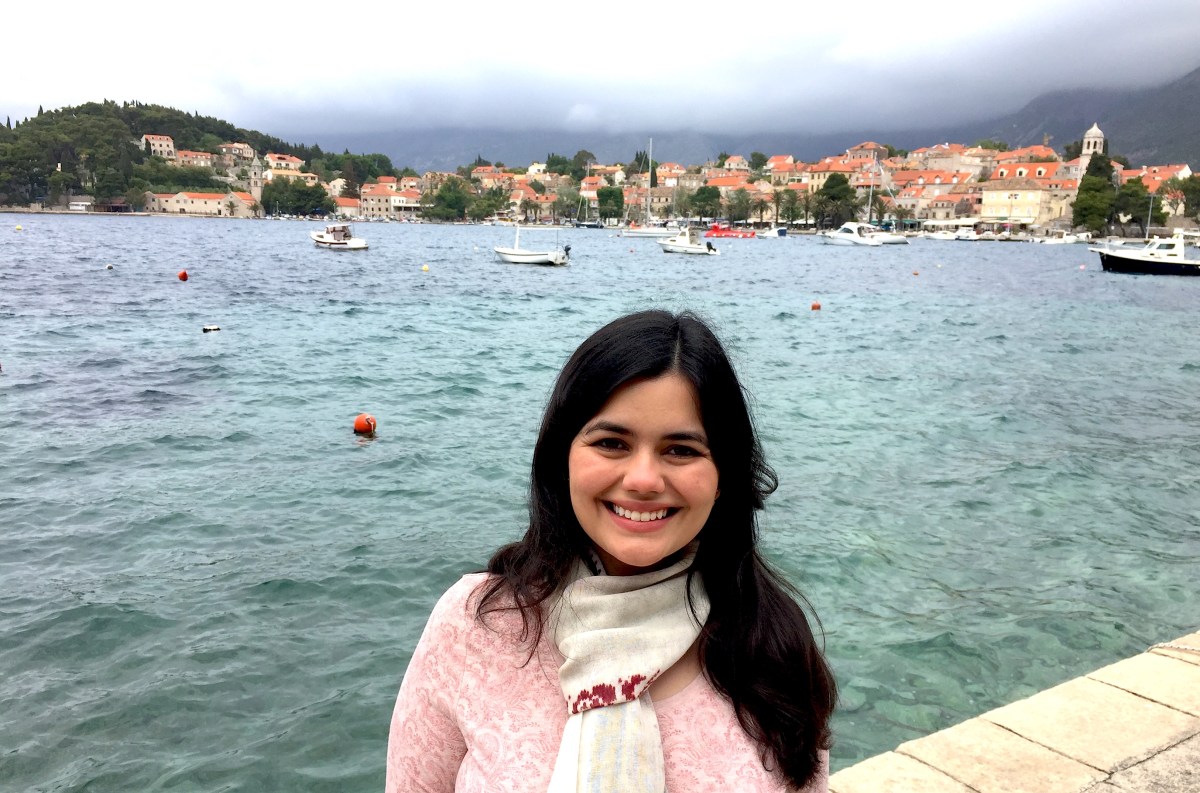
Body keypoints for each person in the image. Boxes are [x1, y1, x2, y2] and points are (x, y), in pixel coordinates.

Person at [387, 309, 836, 792]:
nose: (643, 479)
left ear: (724, 475)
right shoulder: (478, 624)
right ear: (562, 456)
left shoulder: (775, 647)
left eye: (681, 450)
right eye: (611, 443)